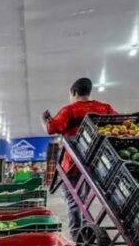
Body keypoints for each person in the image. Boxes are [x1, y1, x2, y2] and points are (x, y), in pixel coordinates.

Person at [42, 77, 116, 237]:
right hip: (94, 166)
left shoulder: (69, 110)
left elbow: (53, 128)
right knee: (85, 202)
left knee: (74, 201)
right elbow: (116, 125)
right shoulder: (105, 108)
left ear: (74, 92)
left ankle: (77, 237)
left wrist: (45, 120)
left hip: (73, 165)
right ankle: (86, 234)